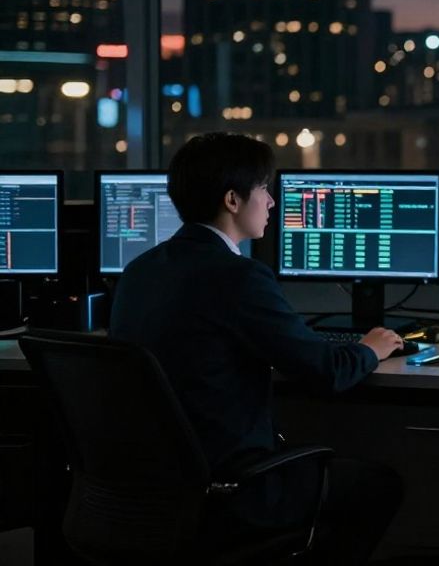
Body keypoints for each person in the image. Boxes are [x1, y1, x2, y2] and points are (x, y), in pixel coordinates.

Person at [110, 132, 405, 563]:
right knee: (379, 486)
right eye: (264, 188)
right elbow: (327, 372)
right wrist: (370, 349)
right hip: (229, 491)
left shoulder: (140, 270)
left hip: (149, 489)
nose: (271, 201)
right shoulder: (238, 277)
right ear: (233, 200)